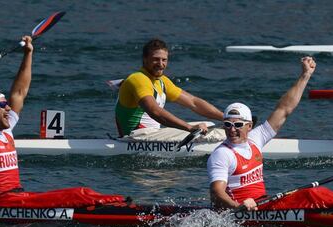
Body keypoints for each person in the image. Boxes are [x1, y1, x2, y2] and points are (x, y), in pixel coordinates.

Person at [0, 36, 123, 207]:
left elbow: (19, 92)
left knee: (82, 193)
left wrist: (28, 53)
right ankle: (119, 208)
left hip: (18, 198)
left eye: (7, 104)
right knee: (78, 194)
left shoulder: (6, 130)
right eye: (2, 105)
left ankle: (117, 204)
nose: (8, 108)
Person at [207, 56, 316, 211]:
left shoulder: (256, 139)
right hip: (242, 210)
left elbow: (284, 109)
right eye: (227, 125)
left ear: (249, 126)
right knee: (312, 196)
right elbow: (216, 192)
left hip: (263, 204)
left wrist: (305, 76)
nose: (232, 129)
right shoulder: (222, 154)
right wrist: (238, 206)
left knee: (313, 194)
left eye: (238, 125)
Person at [115, 38, 223, 137]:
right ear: (145, 59)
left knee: (209, 125)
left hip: (152, 134)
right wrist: (190, 128)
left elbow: (193, 103)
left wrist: (226, 118)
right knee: (209, 132)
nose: (161, 64)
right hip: (135, 138)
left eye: (164, 60)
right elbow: (154, 111)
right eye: (156, 59)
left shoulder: (162, 81)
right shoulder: (138, 79)